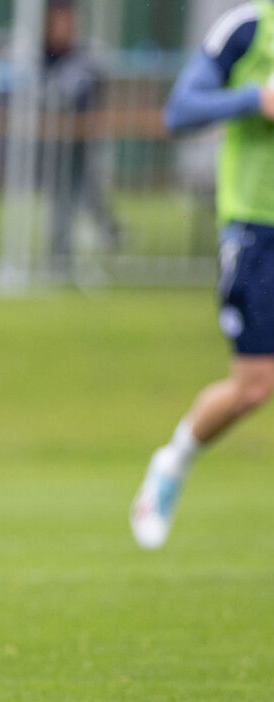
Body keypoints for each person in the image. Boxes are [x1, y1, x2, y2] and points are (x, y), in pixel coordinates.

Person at [131, 1, 274, 550]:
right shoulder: (250, 28)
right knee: (255, 387)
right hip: (259, 231)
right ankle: (171, 464)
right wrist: (255, 99)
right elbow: (180, 111)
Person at [38, 0, 122, 278]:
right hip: (53, 144)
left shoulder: (88, 57)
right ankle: (60, 258)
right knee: (61, 200)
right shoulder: (39, 57)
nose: (64, 27)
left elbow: (103, 94)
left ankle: (110, 236)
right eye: (59, 21)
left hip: (84, 142)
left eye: (68, 21)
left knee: (91, 194)